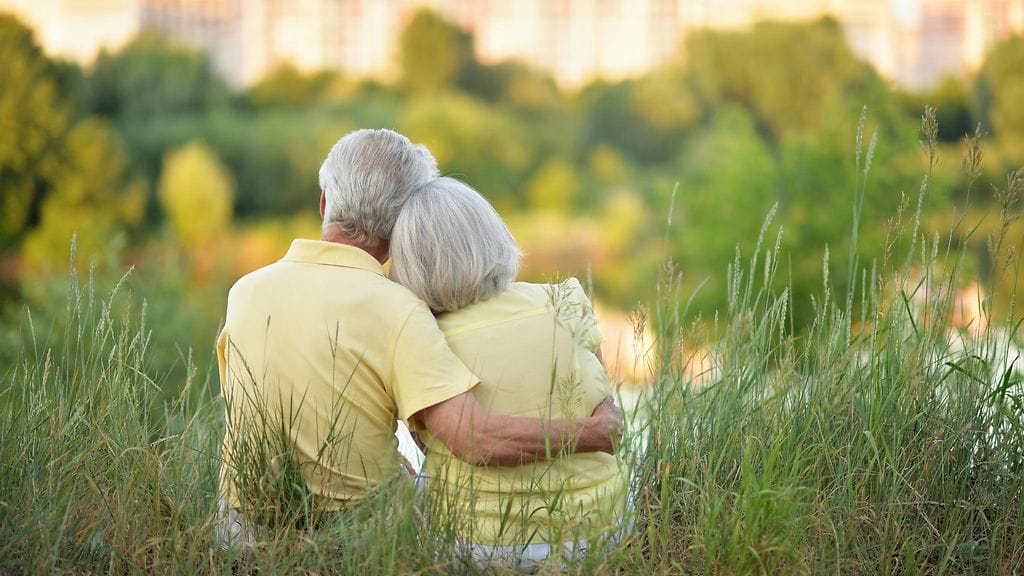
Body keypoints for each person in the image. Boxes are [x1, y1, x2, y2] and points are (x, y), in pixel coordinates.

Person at [215, 129, 622, 548]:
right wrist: (592, 433)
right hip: (357, 535)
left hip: (240, 526)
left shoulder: (244, 290)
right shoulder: (398, 308)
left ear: (324, 202)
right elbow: (473, 438)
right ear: (404, 225)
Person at [389, 177, 629, 570]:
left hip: (480, 545)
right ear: (494, 235)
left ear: (410, 263)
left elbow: (431, 443)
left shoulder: (422, 335)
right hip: (605, 528)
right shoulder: (564, 298)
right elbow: (601, 404)